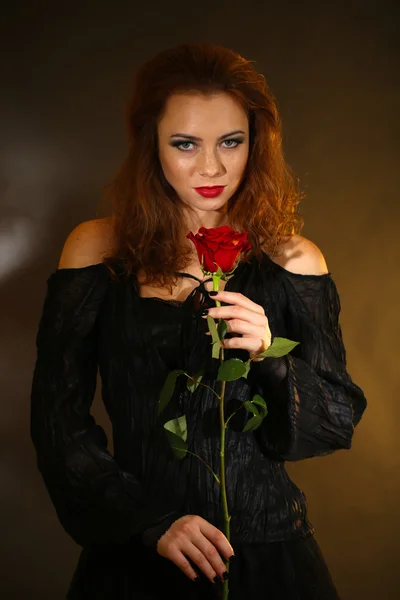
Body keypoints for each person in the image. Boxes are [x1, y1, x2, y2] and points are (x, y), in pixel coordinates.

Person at [30, 42, 367, 599]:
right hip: (137, 552)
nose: (211, 167)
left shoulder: (294, 261)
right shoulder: (96, 249)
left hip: (268, 553)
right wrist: (151, 522)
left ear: (255, 145)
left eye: (231, 142)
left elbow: (333, 425)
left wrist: (270, 360)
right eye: (185, 143)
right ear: (151, 145)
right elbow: (56, 423)